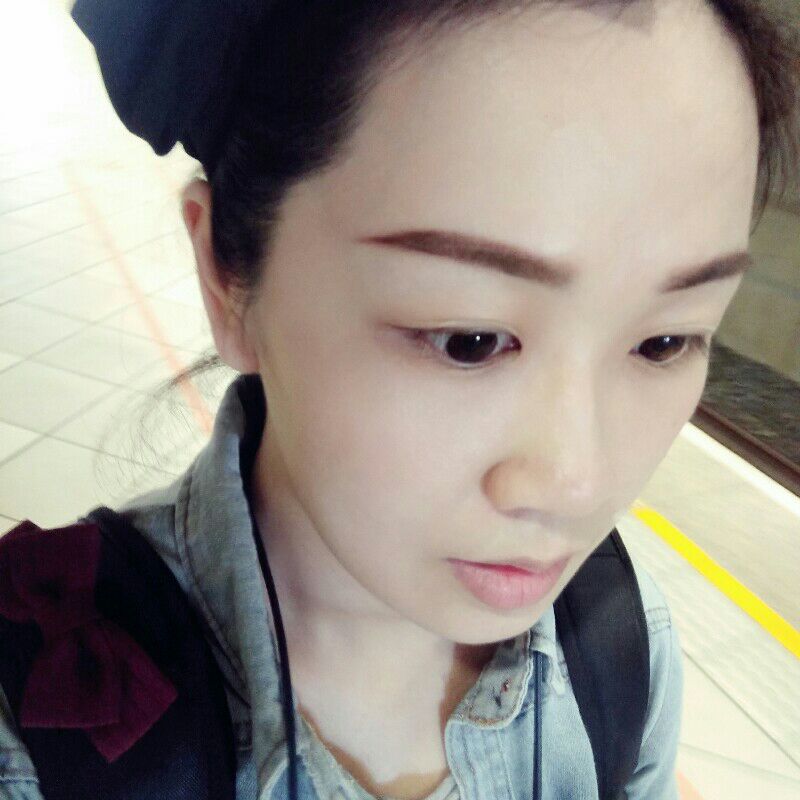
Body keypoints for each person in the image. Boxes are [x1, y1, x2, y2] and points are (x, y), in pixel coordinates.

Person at [1, 1, 798, 799]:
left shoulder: (625, 650)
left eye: (665, 342)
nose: (578, 485)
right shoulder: (37, 729)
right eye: (468, 340)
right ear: (229, 278)